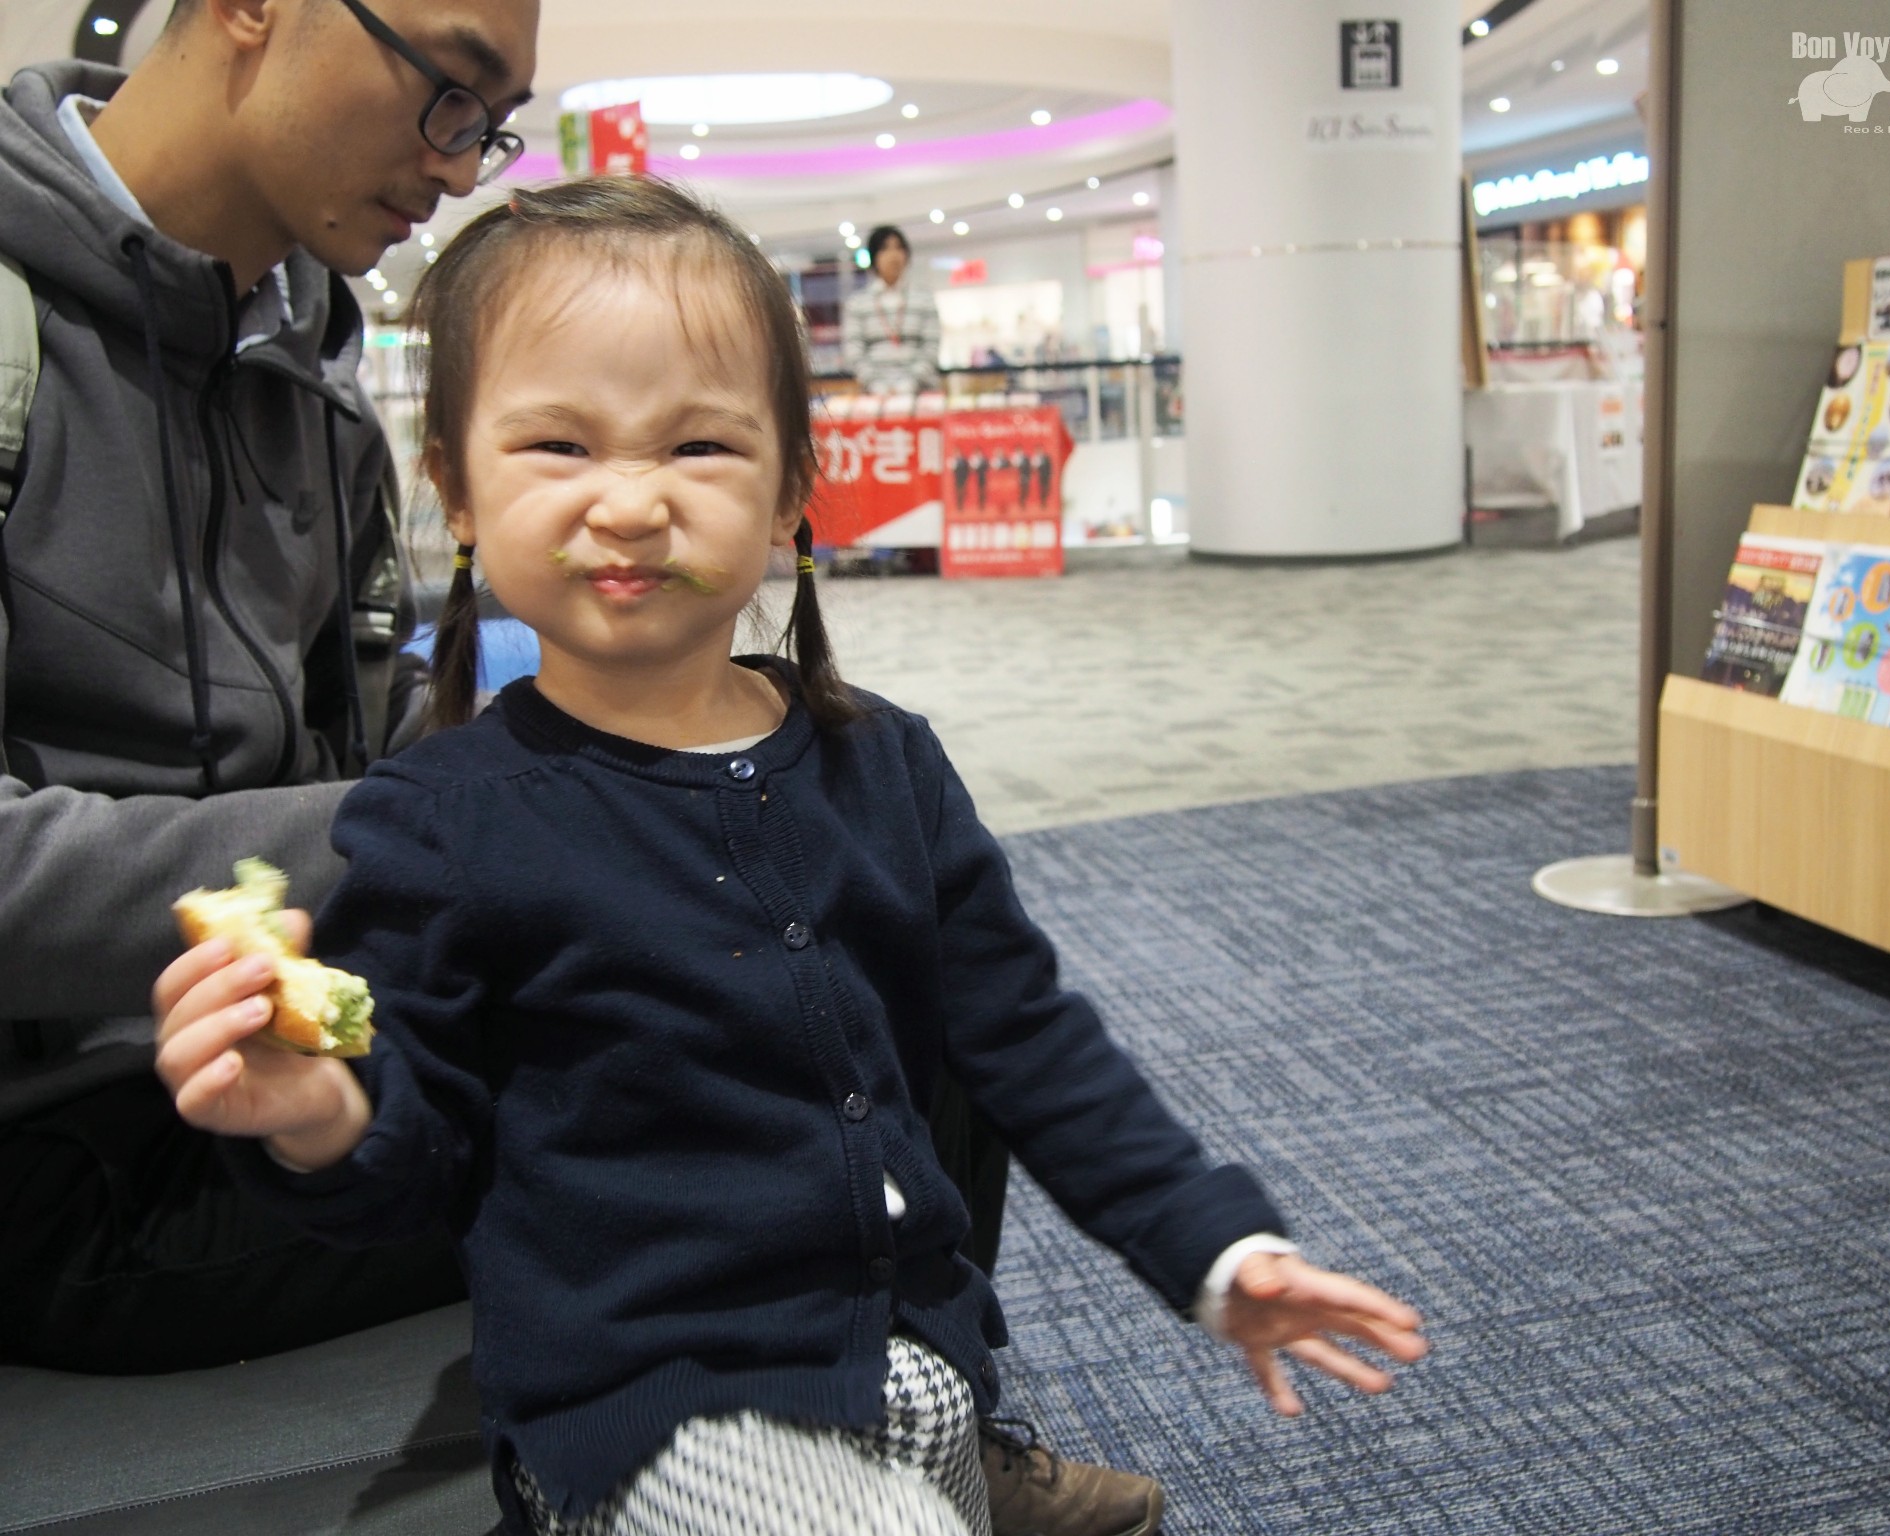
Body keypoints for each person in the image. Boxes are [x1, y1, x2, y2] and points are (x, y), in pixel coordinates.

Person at [151, 177, 1431, 1536]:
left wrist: (1217, 1249)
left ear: (789, 497)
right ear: (458, 490)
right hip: (656, 1416)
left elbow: (1032, 1042)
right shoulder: (446, 816)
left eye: (700, 446)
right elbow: (412, 1157)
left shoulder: (880, 762)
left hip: (920, 1380)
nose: (630, 502)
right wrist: (312, 1111)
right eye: (559, 446)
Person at [0, 0, 539, 1373]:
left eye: (492, 125)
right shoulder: (22, 343)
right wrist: (427, 827)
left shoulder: (312, 374)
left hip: (297, 1040)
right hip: (66, 1148)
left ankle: (904, 1449)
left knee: (849, 943)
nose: (464, 167)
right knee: (793, 1087)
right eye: (449, 93)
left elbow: (354, 736)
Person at [840, 224, 943, 396]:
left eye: (899, 248)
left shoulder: (925, 299)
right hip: (874, 397)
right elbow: (855, 352)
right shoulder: (857, 304)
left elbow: (931, 349)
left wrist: (908, 385)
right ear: (874, 257)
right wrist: (877, 387)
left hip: (921, 393)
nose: (893, 255)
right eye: (885, 249)